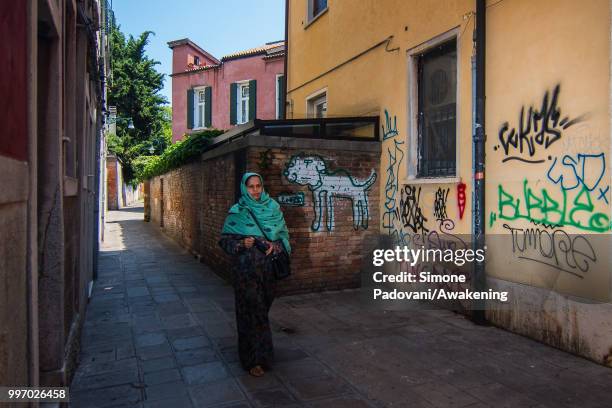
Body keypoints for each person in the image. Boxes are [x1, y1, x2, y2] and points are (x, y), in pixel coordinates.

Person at [218, 172, 291, 377]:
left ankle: (260, 355)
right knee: (251, 314)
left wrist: (274, 246)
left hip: (269, 273)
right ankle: (254, 360)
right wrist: (242, 243)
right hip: (245, 274)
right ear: (244, 187)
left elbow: (284, 236)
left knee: (261, 313)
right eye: (251, 187)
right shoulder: (238, 211)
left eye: (259, 186)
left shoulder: (273, 208)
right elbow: (225, 241)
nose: (256, 190)